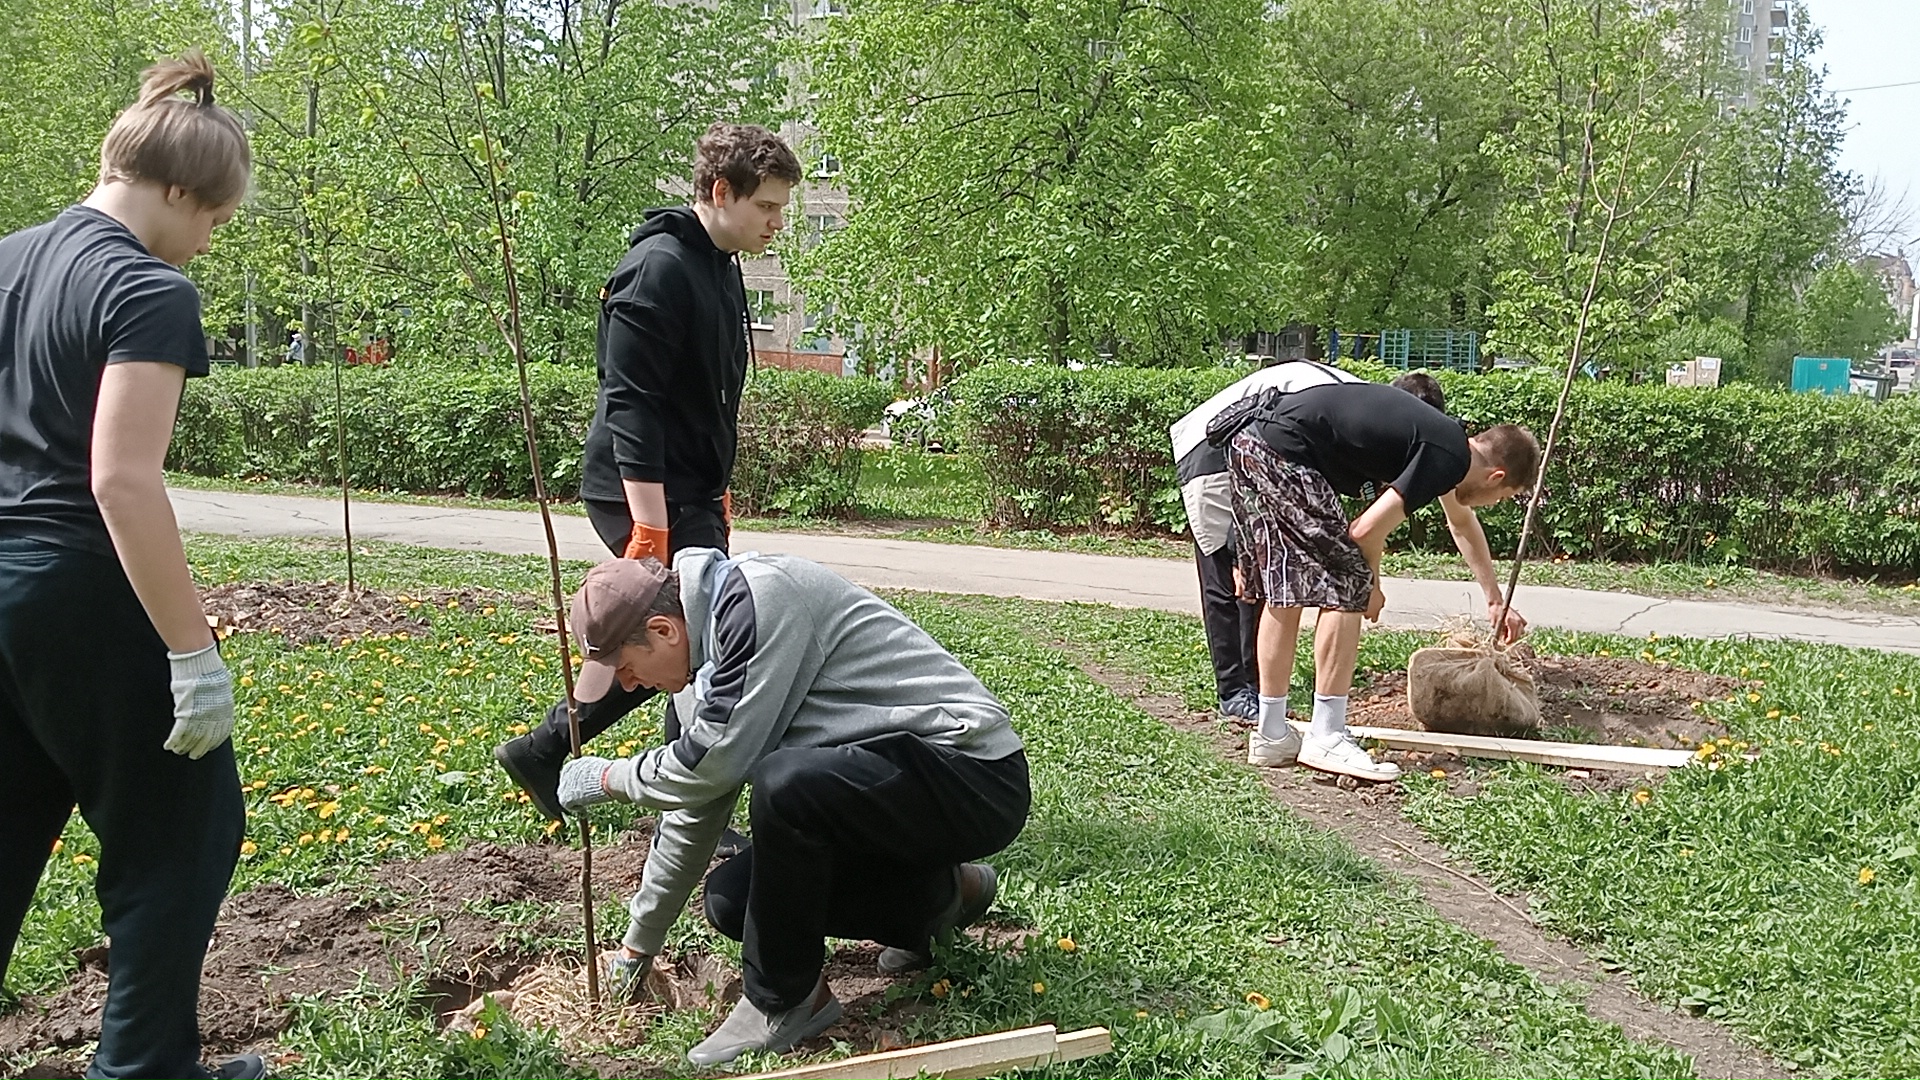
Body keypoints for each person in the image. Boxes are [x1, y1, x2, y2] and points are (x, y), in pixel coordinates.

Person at [0, 52, 265, 1080]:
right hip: (79, 586)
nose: (208, 240)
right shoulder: (145, 289)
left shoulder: (10, 259)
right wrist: (192, 654)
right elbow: (122, 480)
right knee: (181, 833)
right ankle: (145, 1069)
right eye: (212, 218)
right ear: (170, 190)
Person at [555, 552, 1029, 1067]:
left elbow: (707, 768)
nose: (628, 685)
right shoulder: (701, 682)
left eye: (626, 668)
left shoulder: (757, 602)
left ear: (664, 630)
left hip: (971, 775)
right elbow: (693, 806)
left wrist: (608, 778)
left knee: (786, 783)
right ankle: (942, 897)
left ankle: (783, 1001)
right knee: (733, 900)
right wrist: (638, 947)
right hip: (883, 791)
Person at [493, 122, 802, 824]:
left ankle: (549, 753)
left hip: (689, 490)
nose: (777, 223)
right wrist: (652, 528)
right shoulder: (658, 267)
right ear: (722, 192)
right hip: (641, 492)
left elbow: (708, 398)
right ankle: (686, 803)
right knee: (697, 640)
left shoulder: (719, 266)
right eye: (768, 208)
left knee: (689, 640)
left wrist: (715, 488)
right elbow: (631, 405)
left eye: (781, 208)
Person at [1225, 382, 1539, 782]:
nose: (1488, 504)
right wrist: (1370, 585)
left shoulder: (1444, 442)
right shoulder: (1446, 455)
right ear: (1496, 477)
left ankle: (1271, 734)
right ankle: (1327, 733)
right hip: (1284, 451)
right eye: (1500, 498)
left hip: (1254, 442)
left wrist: (1494, 599)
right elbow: (1365, 532)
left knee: (1285, 590)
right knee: (1347, 584)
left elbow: (1460, 523)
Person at [1170, 359, 1362, 721]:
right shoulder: (1351, 406)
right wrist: (1241, 544)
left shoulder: (1363, 406)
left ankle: (1255, 680)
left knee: (1261, 570)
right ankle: (1232, 690)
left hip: (1262, 452)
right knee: (1224, 576)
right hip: (1212, 448)